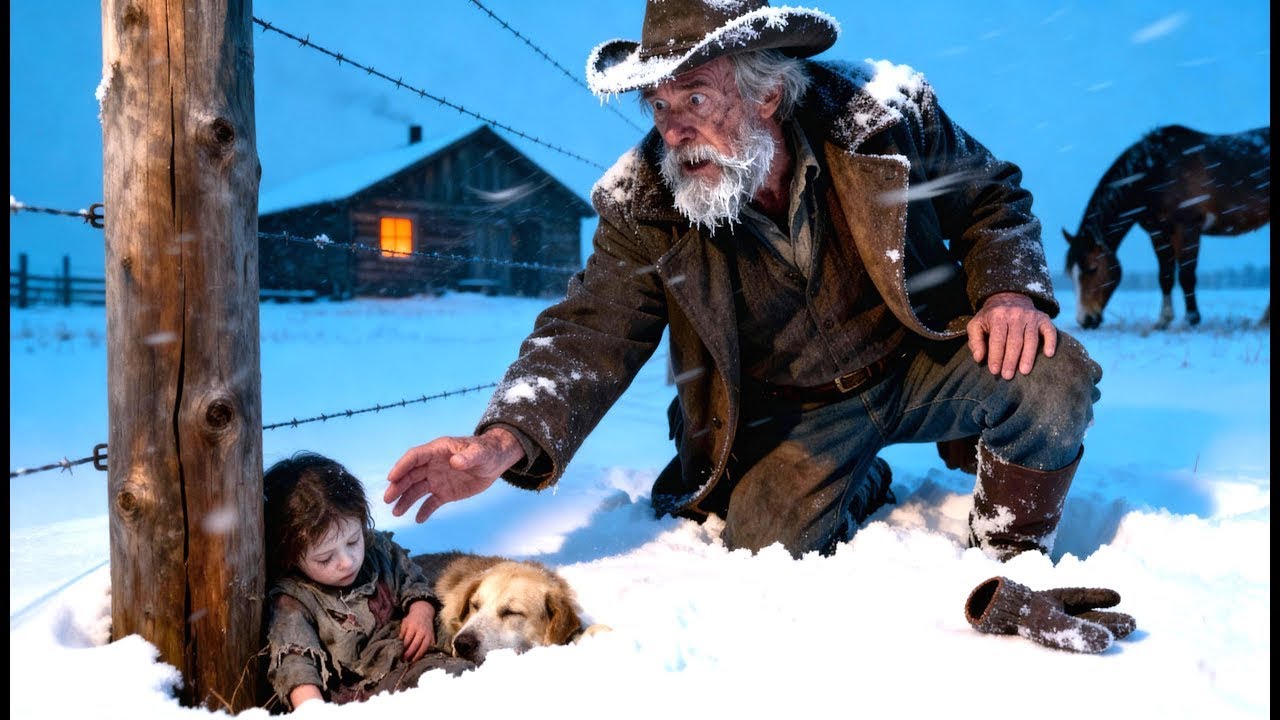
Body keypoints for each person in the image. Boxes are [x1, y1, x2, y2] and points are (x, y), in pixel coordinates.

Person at [384, 0, 1102, 562]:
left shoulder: (886, 114)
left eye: (694, 99)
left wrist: (1009, 292)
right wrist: (502, 441)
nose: (671, 130)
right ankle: (862, 479)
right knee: (764, 543)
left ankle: (1009, 557)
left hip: (920, 360)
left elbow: (990, 196)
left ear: (765, 95)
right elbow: (590, 330)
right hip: (791, 412)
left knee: (1051, 377)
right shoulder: (647, 201)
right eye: (658, 106)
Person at [263, 452, 472, 712]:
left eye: (353, 541)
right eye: (325, 558)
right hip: (367, 692)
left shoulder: (379, 551)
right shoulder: (293, 601)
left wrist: (421, 612)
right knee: (446, 685)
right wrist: (312, 711)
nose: (347, 561)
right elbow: (295, 662)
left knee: (466, 676)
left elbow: (414, 583)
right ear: (290, 558)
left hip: (418, 658)